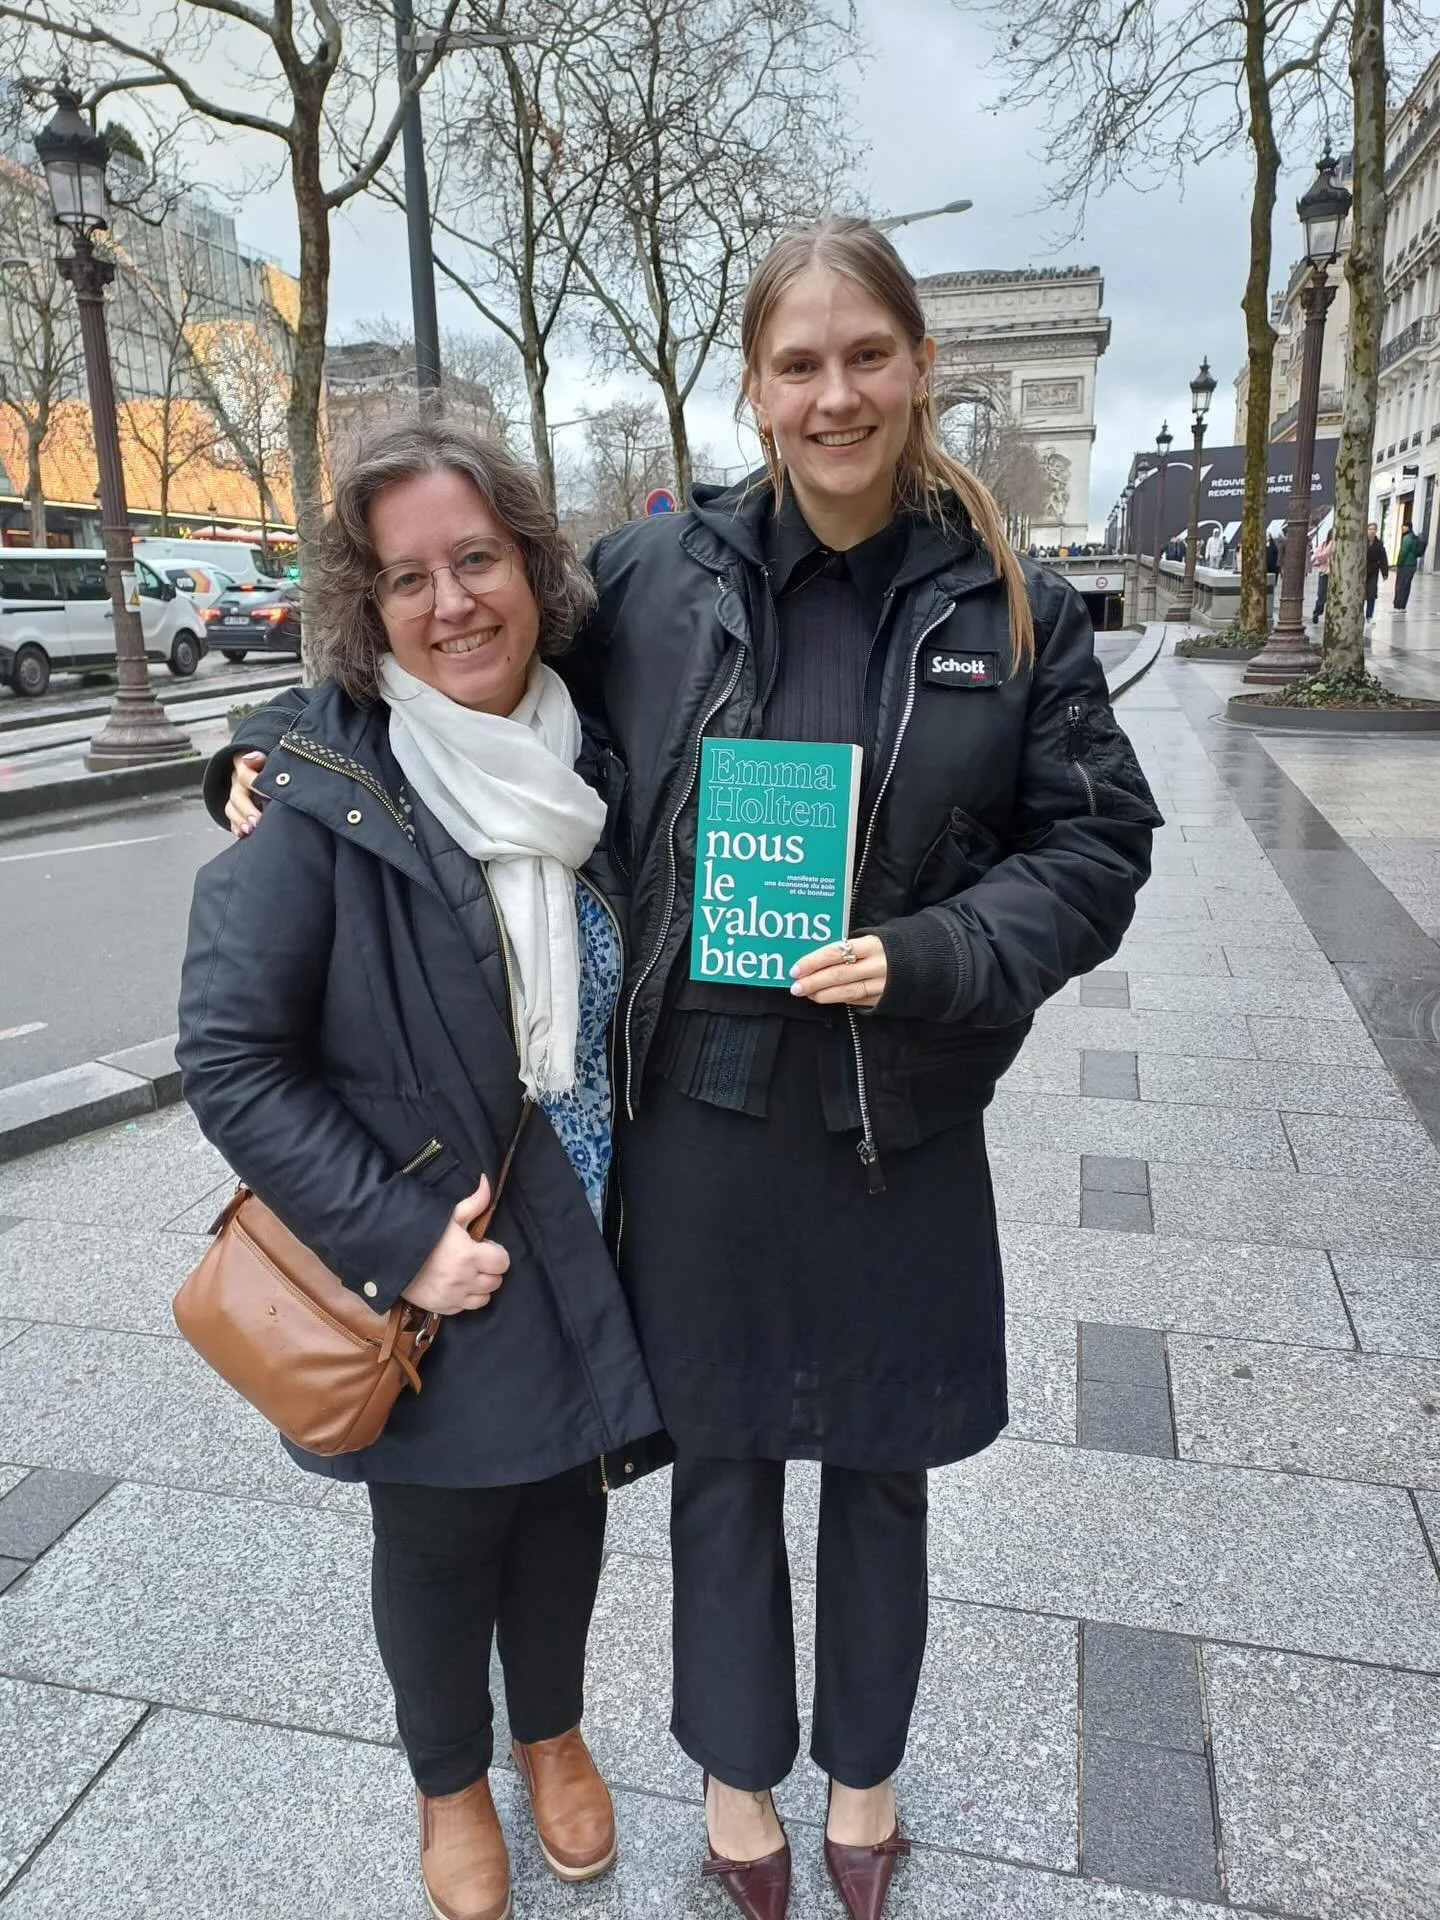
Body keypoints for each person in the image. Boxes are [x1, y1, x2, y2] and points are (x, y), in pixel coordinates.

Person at [216, 217, 1161, 1920]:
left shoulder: (1008, 597)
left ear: (919, 365)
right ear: (753, 386)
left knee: (882, 1475)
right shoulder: (659, 577)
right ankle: (739, 1789)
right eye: (799, 364)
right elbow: (454, 668)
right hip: (708, 1127)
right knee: (722, 1475)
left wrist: (939, 953)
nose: (836, 394)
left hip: (901, 1118)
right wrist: (267, 745)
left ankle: (861, 1783)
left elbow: (1096, 841)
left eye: (868, 355)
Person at [179, 422, 667, 1920]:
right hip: (452, 1252)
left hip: (594, 1230)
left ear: (531, 564)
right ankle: (449, 1779)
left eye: (476, 559)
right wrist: (403, 1242)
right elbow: (230, 1055)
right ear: (364, 609)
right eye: (408, 579)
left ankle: (554, 1733)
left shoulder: (605, 755)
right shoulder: (320, 791)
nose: (452, 602)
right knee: (446, 1536)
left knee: (568, 1514)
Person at [1366, 522, 1390, 619]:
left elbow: (1383, 558)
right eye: (1370, 529)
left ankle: (1369, 616)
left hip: (1373, 571)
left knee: (1371, 595)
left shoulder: (1379, 544)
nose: (1372, 531)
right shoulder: (1361, 542)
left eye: (1373, 529)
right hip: (1362, 571)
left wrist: (1385, 573)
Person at [1394, 524, 1421, 610]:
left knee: (1401, 585)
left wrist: (1398, 564)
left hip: (1405, 565)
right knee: (1406, 586)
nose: (1402, 528)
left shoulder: (1407, 538)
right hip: (1412, 565)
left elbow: (1403, 552)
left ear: (1408, 528)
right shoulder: (1414, 537)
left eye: (1404, 527)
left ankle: (1398, 605)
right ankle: (1403, 605)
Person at [1311, 532, 1333, 622]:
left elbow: (1322, 555)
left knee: (1332, 596)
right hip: (1324, 572)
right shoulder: (1324, 544)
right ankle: (1317, 612)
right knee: (1321, 594)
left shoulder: (1337, 545)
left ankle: (1330, 615)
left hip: (1335, 572)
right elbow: (1320, 556)